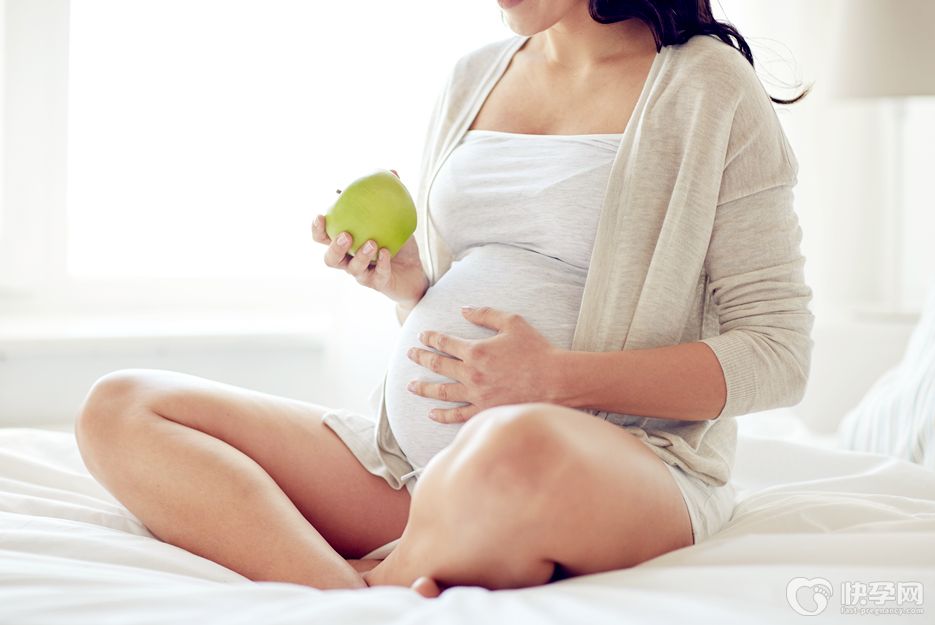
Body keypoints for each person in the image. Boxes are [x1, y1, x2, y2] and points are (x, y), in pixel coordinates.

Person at [75, 0, 813, 599]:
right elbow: (479, 301)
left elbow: (778, 355)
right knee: (122, 406)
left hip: (605, 466)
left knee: (516, 441)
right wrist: (413, 289)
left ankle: (404, 563)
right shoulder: (475, 76)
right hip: (416, 475)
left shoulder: (707, 86)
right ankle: (343, 592)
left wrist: (556, 379)